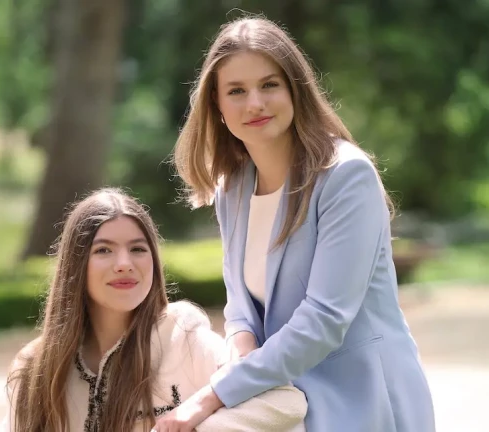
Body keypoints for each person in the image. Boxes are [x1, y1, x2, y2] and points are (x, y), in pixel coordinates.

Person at [163, 15, 436, 432]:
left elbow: (324, 319)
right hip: (284, 395)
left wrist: (214, 394)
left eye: (269, 84)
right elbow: (240, 306)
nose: (254, 102)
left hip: (362, 402)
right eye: (236, 91)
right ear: (216, 107)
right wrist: (242, 355)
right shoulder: (232, 188)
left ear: (295, 90)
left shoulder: (346, 177)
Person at [2, 188, 307, 432]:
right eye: (104, 250)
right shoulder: (35, 368)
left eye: (138, 249)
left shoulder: (183, 336)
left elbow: (284, 401)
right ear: (75, 265)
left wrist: (197, 424)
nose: (124, 263)